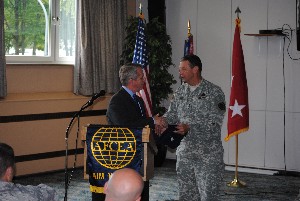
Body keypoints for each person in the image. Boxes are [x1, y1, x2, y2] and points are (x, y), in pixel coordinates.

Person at [162, 54, 226, 201]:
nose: (180, 73)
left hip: (208, 154)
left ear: (195, 69)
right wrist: (162, 121)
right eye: (179, 69)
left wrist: (190, 127)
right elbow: (172, 115)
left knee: (209, 195)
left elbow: (214, 122)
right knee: (186, 196)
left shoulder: (214, 92)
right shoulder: (180, 92)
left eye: (183, 69)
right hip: (185, 153)